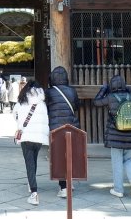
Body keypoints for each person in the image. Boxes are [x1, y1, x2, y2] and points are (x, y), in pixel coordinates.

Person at [93, 74, 131, 198]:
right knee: (129, 159)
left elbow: (96, 102)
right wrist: (129, 90)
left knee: (117, 162)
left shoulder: (110, 97)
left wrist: (103, 89)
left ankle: (118, 190)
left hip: (116, 135)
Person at [45, 65, 80, 198]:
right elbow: (76, 106)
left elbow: (47, 108)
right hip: (71, 127)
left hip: (56, 128)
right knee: (70, 155)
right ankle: (69, 182)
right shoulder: (72, 91)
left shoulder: (49, 92)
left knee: (59, 156)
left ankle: (63, 187)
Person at [14, 79, 49, 206]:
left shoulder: (22, 101)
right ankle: (31, 182)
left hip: (27, 135)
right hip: (39, 137)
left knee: (29, 163)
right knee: (33, 160)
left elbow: (15, 115)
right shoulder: (42, 103)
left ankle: (34, 193)